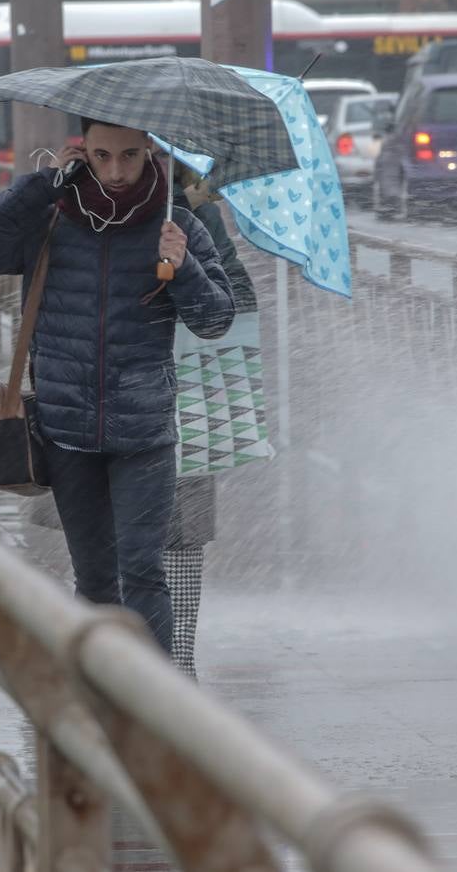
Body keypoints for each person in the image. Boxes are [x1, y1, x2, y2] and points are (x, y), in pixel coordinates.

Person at [0, 119, 235, 653]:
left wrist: (182, 269)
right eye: (103, 155)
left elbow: (215, 319)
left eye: (129, 156)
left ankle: (157, 701)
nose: (116, 171)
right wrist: (41, 184)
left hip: (145, 433)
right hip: (66, 432)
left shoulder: (175, 222)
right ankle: (103, 692)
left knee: (143, 571)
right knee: (93, 580)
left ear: (150, 152)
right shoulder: (51, 215)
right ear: (83, 150)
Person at [163, 162, 258, 679]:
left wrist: (187, 245)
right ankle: (111, 661)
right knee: (101, 535)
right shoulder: (73, 203)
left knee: (180, 534)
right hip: (102, 402)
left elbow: (235, 303)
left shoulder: (197, 216)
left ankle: (178, 662)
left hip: (186, 395)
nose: (124, 167)